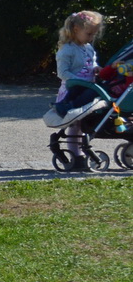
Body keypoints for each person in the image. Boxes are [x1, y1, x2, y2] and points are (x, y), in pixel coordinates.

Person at [53, 9, 106, 171]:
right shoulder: (67, 50)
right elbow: (62, 72)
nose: (91, 38)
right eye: (89, 34)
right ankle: (76, 154)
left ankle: (81, 148)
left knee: (83, 123)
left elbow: (92, 63)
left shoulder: (88, 47)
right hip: (73, 91)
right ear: (76, 29)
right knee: (75, 124)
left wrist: (96, 69)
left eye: (93, 35)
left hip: (87, 90)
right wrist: (77, 80)